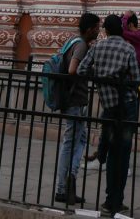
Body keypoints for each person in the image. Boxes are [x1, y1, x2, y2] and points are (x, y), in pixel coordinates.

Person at [77, 14, 140, 217]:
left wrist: (101, 79)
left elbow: (81, 70)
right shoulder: (128, 48)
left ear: (105, 30)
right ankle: (116, 201)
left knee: (113, 153)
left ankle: (107, 201)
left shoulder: (97, 47)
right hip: (127, 107)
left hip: (108, 106)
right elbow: (135, 80)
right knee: (123, 154)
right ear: (121, 30)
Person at [54, 12, 100, 206]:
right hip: (75, 100)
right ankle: (64, 187)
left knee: (78, 139)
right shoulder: (81, 45)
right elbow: (73, 69)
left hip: (70, 98)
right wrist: (87, 71)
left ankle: (67, 184)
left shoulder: (72, 42)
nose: (99, 31)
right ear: (89, 29)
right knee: (71, 141)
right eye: (97, 27)